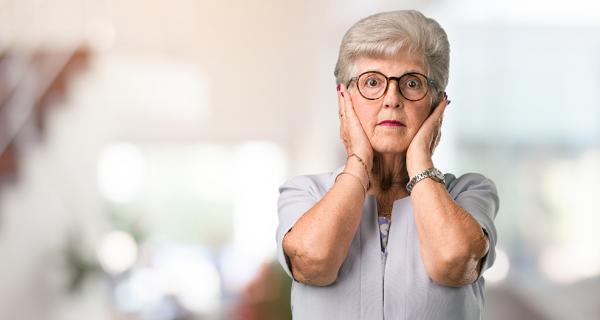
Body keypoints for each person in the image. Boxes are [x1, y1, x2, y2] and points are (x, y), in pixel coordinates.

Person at [275, 10, 499, 320]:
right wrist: (358, 162)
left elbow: (454, 261)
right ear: (345, 99)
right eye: (371, 82)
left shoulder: (468, 192)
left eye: (411, 83)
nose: (392, 99)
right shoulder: (306, 192)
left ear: (436, 102)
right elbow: (314, 263)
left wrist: (420, 160)